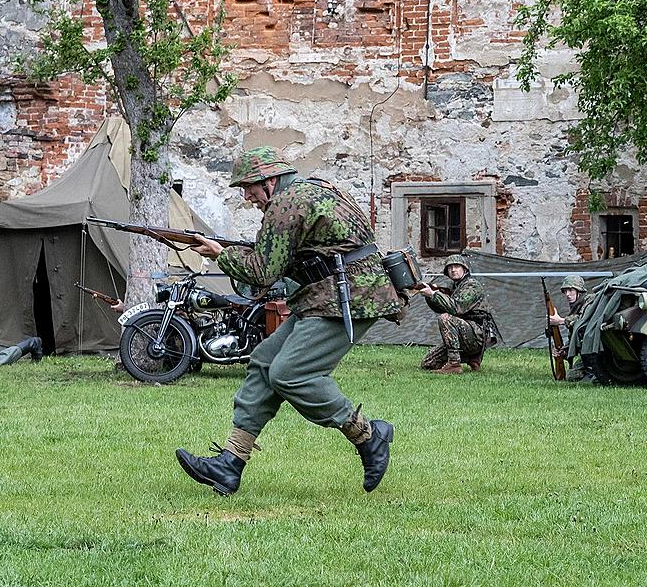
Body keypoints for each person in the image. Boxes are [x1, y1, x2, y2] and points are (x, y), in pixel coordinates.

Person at [174, 146, 406, 495]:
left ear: (271, 179)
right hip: (330, 295)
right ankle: (230, 464)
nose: (246, 195)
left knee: (290, 373)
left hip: (347, 299)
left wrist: (222, 254)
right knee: (265, 362)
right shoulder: (316, 188)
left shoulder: (285, 204)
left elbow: (263, 272)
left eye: (249, 185)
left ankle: (370, 436)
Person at [419, 255, 496, 374]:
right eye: (450, 268)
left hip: (477, 334)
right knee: (428, 363)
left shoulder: (471, 285)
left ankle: (454, 364)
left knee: (445, 318)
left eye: (456, 266)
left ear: (464, 269)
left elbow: (456, 308)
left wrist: (434, 295)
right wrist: (430, 296)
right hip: (464, 334)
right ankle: (471, 358)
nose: (453, 270)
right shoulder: (454, 286)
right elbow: (440, 308)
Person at [548, 274, 595, 382]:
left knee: (593, 378)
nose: (567, 294)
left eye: (570, 290)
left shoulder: (591, 301)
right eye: (565, 291)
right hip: (586, 353)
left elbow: (583, 322)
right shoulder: (575, 307)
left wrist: (561, 321)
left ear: (579, 291)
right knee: (572, 376)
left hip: (599, 353)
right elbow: (575, 337)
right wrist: (563, 351)